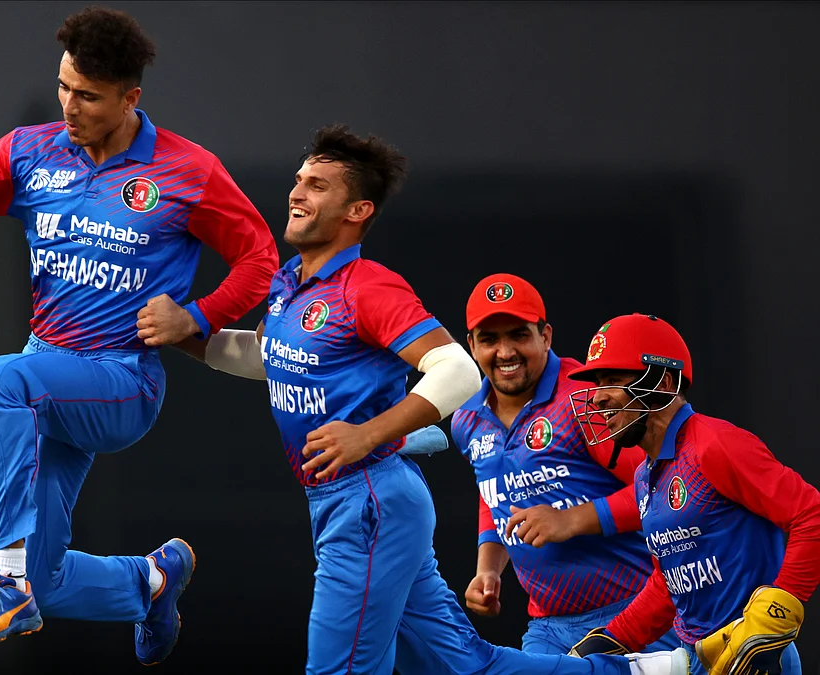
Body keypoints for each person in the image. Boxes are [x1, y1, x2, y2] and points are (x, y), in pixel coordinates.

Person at [176, 124, 689, 675]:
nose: (297, 194)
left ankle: (642, 662)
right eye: (299, 181)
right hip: (383, 512)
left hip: (369, 500)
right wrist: (183, 332)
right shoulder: (292, 286)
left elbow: (455, 371)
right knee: (462, 665)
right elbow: (269, 358)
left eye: (318, 186)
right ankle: (640, 672)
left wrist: (368, 434)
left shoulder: (366, 286)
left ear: (358, 211)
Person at [0, 5, 277, 664]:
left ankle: (3, 582)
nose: (69, 105)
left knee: (0, 380)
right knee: (45, 575)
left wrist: (196, 317)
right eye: (63, 86)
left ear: (131, 97)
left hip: (121, 382)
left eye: (88, 95)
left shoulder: (187, 171)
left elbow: (259, 259)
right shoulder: (29, 151)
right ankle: (149, 582)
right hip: (48, 374)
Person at [562, 314, 820, 674]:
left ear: (663, 382)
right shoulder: (643, 476)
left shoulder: (715, 444)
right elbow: (669, 585)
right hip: (695, 658)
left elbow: (811, 514)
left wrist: (777, 613)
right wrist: (612, 637)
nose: (598, 398)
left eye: (613, 380)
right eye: (597, 382)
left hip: (754, 655)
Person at [448, 273, 677, 654]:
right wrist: (487, 568)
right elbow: (495, 494)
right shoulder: (466, 420)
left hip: (636, 615)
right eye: (490, 339)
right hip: (548, 627)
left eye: (519, 335)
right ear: (471, 345)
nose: (505, 352)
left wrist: (570, 520)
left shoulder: (587, 400)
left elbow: (663, 490)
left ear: (546, 336)